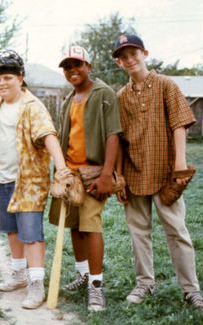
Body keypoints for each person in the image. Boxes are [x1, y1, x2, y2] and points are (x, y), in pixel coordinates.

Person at [112, 34, 203, 314]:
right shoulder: (121, 96)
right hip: (134, 173)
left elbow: (180, 124)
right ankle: (144, 283)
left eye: (134, 53)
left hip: (166, 170)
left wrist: (180, 165)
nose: (130, 59)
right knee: (138, 232)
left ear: (145, 53)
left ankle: (191, 290)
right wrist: (119, 176)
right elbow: (118, 140)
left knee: (177, 231)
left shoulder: (166, 84)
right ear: (119, 62)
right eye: (123, 56)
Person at [0, 50, 68, 309]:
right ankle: (18, 275)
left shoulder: (32, 106)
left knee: (31, 234)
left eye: (7, 78)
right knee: (11, 230)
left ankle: (36, 284)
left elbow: (48, 135)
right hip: (3, 178)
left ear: (20, 78)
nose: (2, 83)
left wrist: (61, 169)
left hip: (28, 181)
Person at [49, 46, 121, 311]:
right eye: (67, 66)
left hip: (93, 173)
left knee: (91, 227)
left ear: (88, 65)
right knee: (75, 226)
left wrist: (106, 175)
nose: (72, 70)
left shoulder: (103, 93)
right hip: (72, 174)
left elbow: (114, 134)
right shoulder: (69, 98)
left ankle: (97, 286)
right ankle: (82, 274)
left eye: (77, 64)